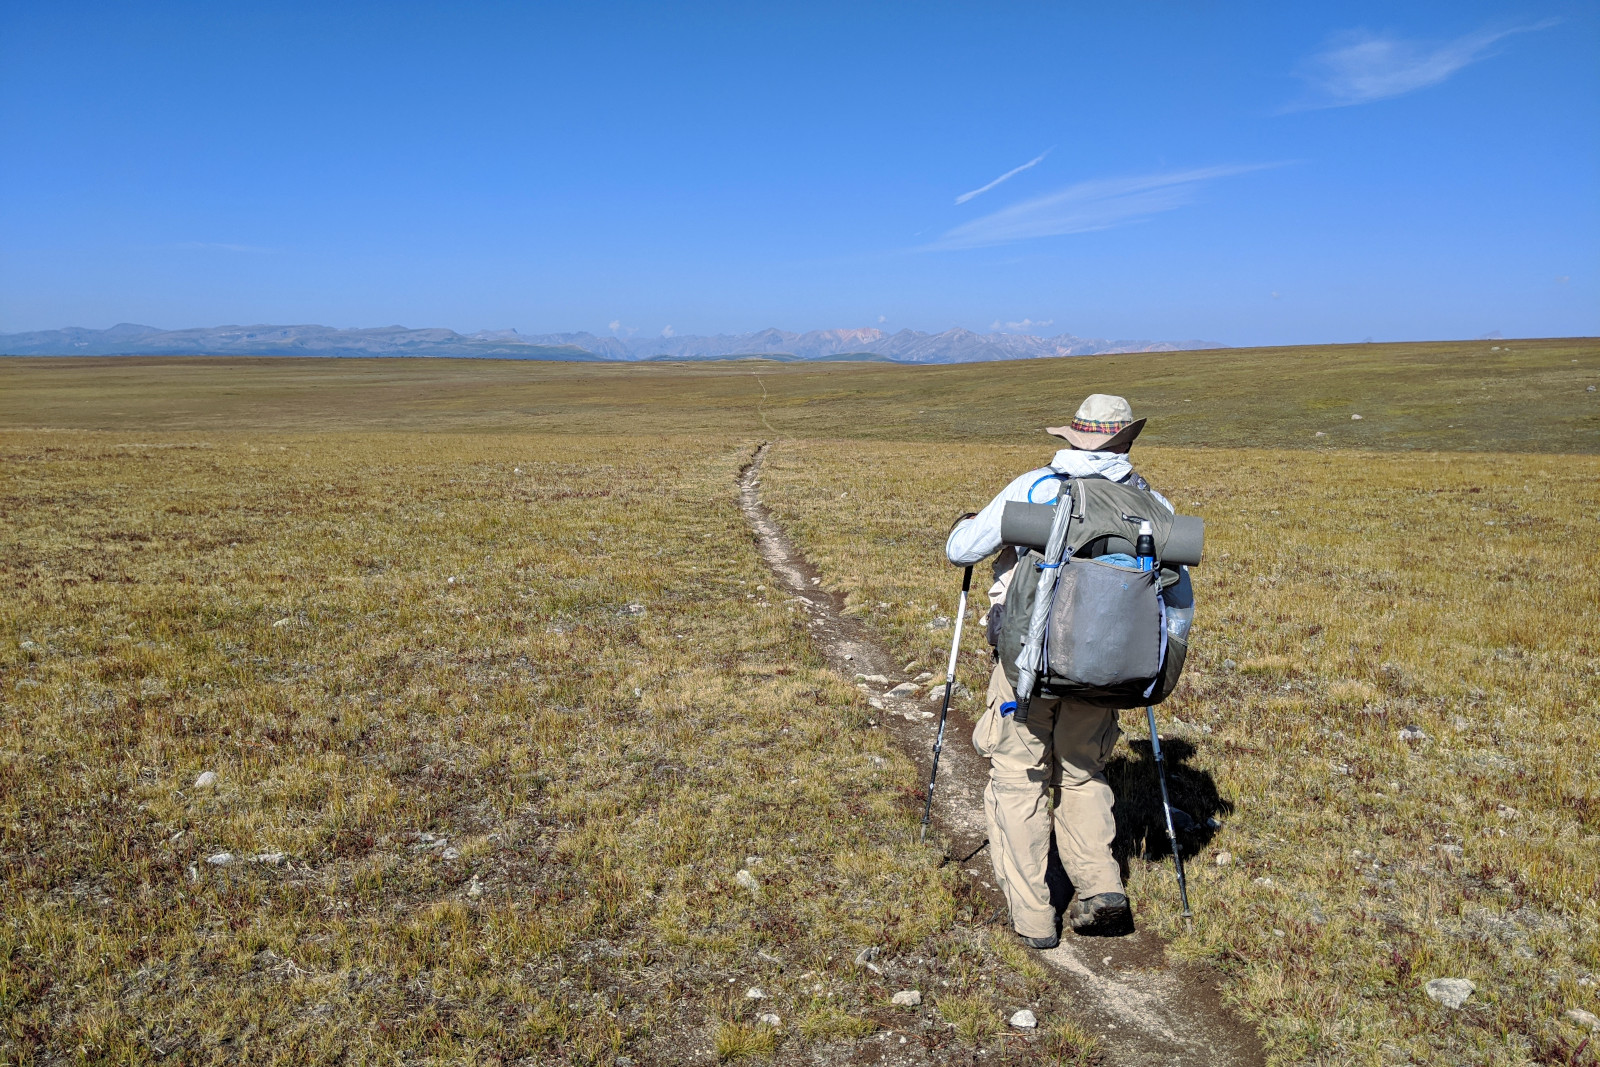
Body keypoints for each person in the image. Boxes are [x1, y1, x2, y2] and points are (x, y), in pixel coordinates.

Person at [945, 393, 1174, 946]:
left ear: (1072, 438)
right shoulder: (1151, 504)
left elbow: (962, 550)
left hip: (1029, 663)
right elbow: (1175, 600)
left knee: (1018, 776)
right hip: (1110, 666)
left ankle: (1033, 916)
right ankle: (1100, 887)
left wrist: (968, 524)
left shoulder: (1034, 488)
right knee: (1083, 771)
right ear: (1127, 440)